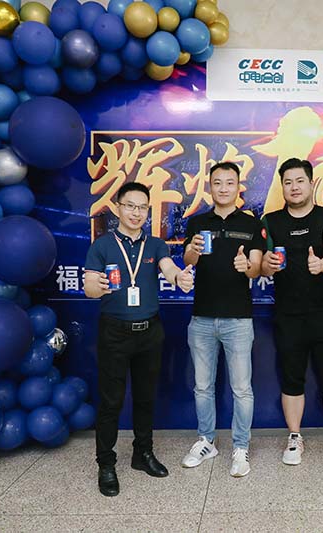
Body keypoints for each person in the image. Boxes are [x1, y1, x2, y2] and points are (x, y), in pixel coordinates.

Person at [84, 182, 194, 497]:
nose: (136, 213)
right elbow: (89, 287)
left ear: (148, 211)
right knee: (111, 401)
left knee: (146, 397)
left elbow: (169, 269)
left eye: (142, 207)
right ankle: (106, 463)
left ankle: (142, 453)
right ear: (118, 208)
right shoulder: (102, 245)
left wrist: (180, 277)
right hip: (114, 332)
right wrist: (97, 287)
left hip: (149, 332)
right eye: (130, 206)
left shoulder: (155, 244)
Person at [260, 157, 323, 466]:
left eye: (300, 181)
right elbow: (262, 264)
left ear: (311, 184)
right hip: (288, 315)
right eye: (288, 182)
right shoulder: (270, 221)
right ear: (282, 187)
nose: (294, 187)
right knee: (291, 379)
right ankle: (294, 436)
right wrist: (267, 265)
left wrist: (322, 264)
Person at [180, 162, 264, 477]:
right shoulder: (197, 222)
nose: (224, 188)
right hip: (202, 317)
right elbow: (187, 260)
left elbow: (257, 267)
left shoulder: (251, 223)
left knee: (242, 388)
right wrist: (193, 250)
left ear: (238, 187)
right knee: (202, 386)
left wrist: (247, 266)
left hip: (238, 319)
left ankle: (241, 446)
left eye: (230, 182)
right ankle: (206, 441)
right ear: (210, 186)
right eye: (218, 183)